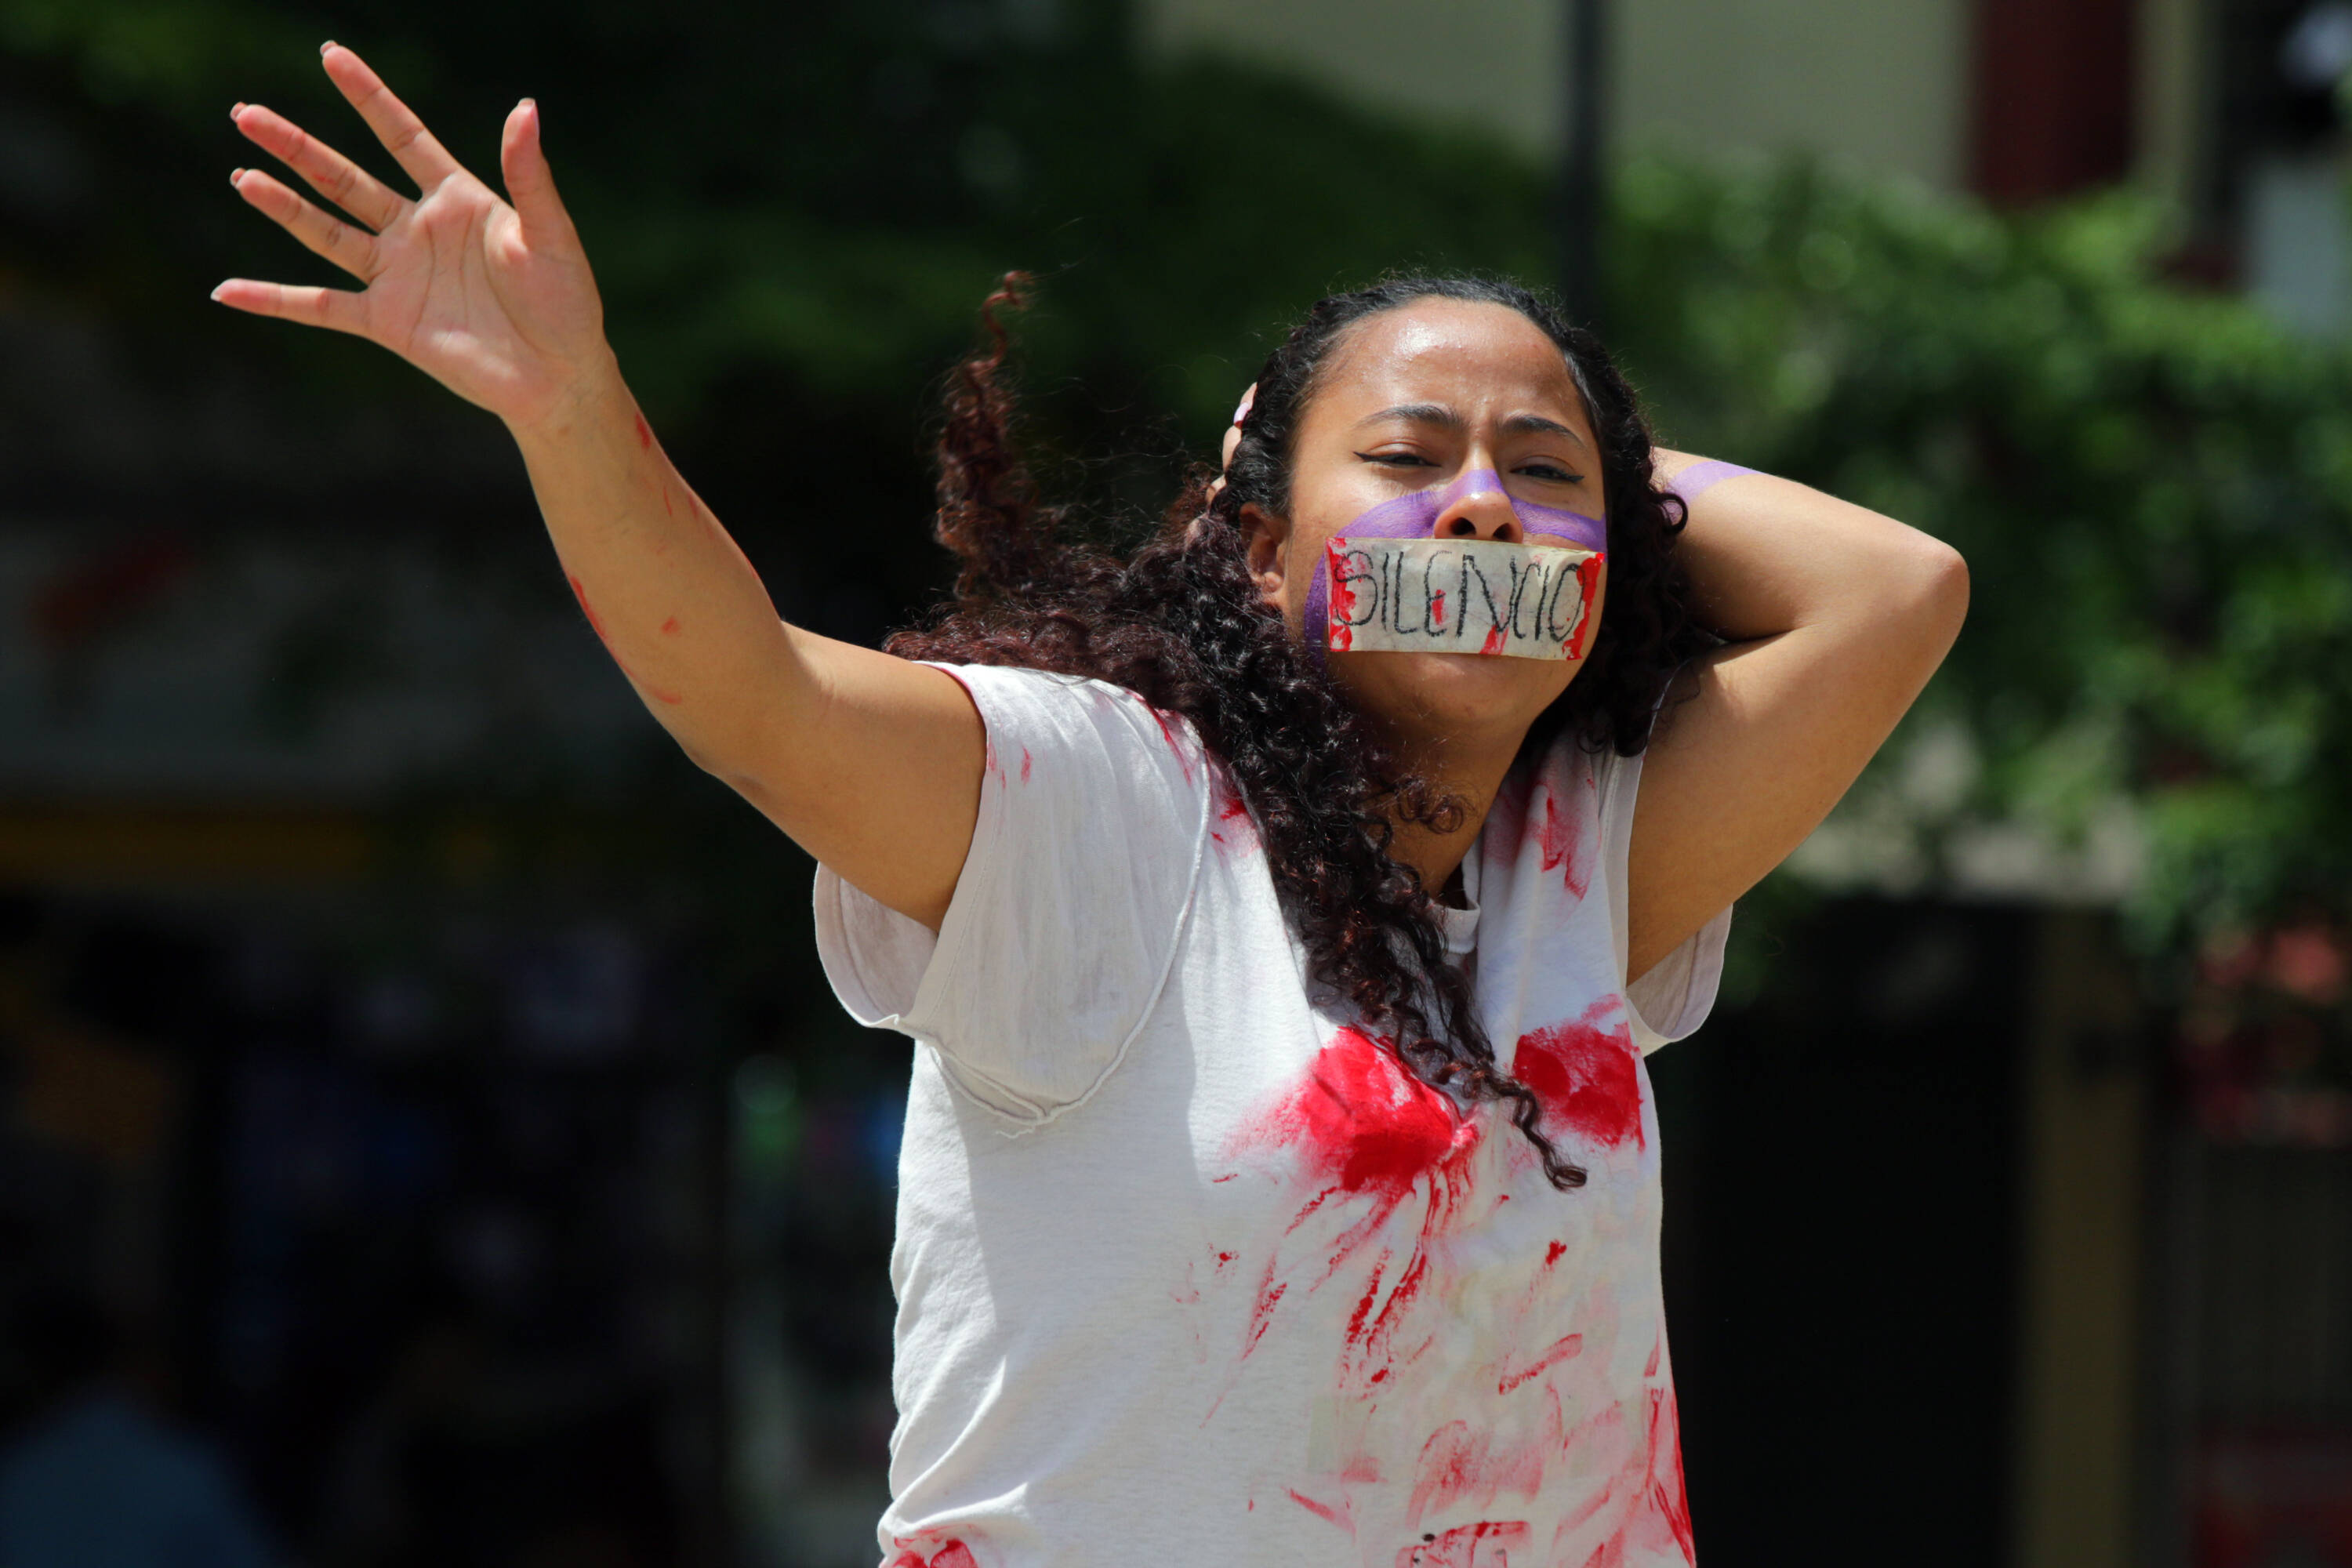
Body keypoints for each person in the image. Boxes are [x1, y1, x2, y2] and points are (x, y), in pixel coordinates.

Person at [216, 45, 1966, 1568]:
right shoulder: (1104, 810)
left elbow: (1899, 591)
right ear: (1258, 542)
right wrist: (568, 410)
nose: (1487, 512)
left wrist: (1553, 447)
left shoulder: (1584, 865)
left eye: (1545, 481)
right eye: (1408, 460)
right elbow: (750, 693)